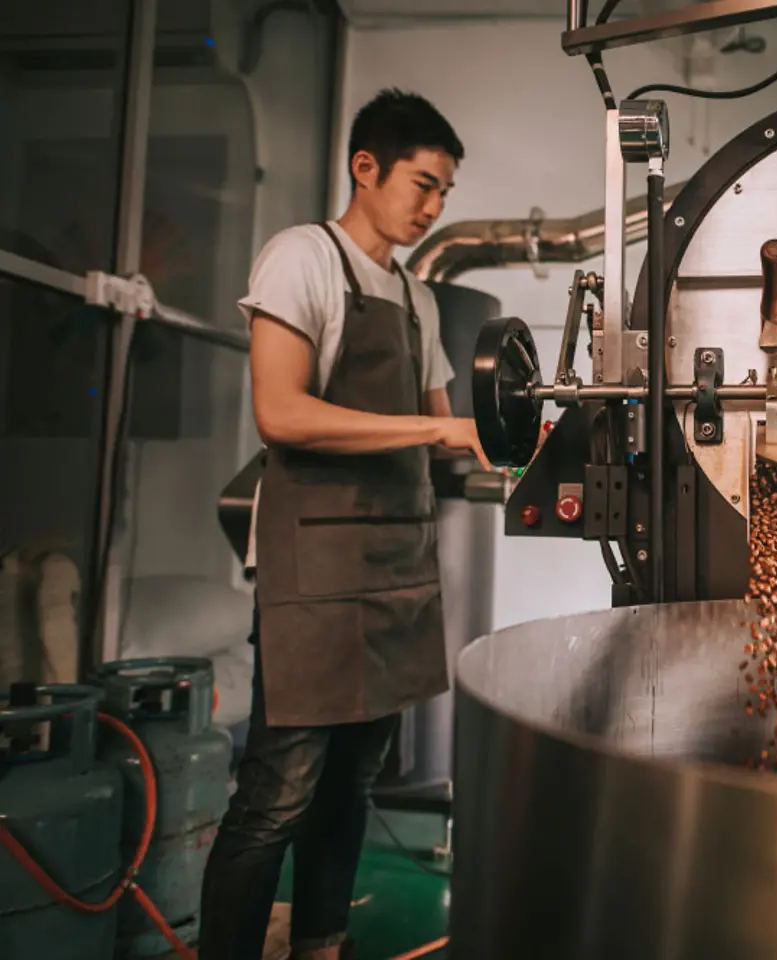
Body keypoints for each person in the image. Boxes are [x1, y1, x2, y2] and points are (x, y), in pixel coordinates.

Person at [199, 89, 486, 960]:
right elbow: (282, 415)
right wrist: (440, 428)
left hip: (396, 566)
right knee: (277, 795)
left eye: (445, 193)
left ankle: (321, 945)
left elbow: (449, 443)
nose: (434, 207)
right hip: (315, 572)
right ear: (365, 167)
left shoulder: (416, 298)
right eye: (423, 184)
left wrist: (535, 448)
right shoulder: (302, 259)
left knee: (354, 787)